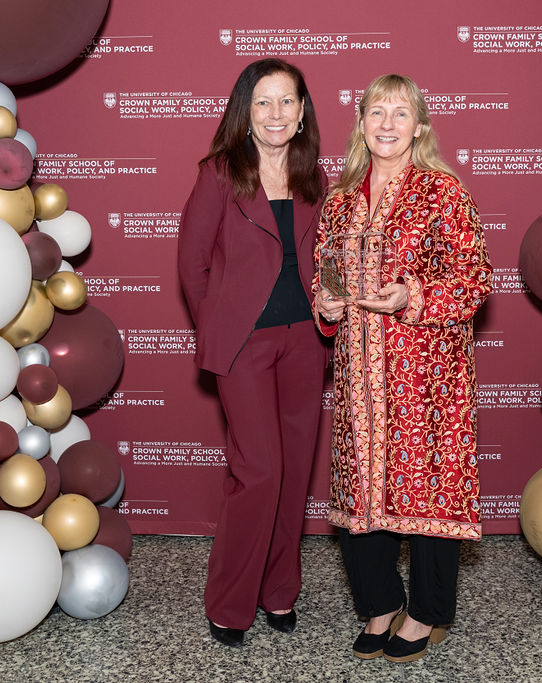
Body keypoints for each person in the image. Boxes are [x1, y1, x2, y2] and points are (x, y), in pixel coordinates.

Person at [312, 74, 492, 663]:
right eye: (375, 113)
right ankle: (379, 603)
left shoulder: (443, 191)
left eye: (400, 113)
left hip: (425, 372)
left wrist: (412, 296)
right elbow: (323, 273)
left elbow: (473, 281)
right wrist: (328, 303)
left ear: (420, 125)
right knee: (362, 494)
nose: (387, 125)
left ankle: (428, 612)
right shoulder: (339, 199)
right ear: (360, 123)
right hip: (359, 373)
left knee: (427, 489)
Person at [178, 58, 328, 647]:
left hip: (306, 341)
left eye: (286, 101)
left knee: (294, 473)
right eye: (263, 102)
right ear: (245, 111)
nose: (275, 113)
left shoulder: (313, 175)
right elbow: (192, 265)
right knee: (258, 472)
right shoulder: (220, 172)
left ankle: (279, 592)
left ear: (301, 113)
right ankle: (230, 602)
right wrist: (221, 327)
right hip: (245, 344)